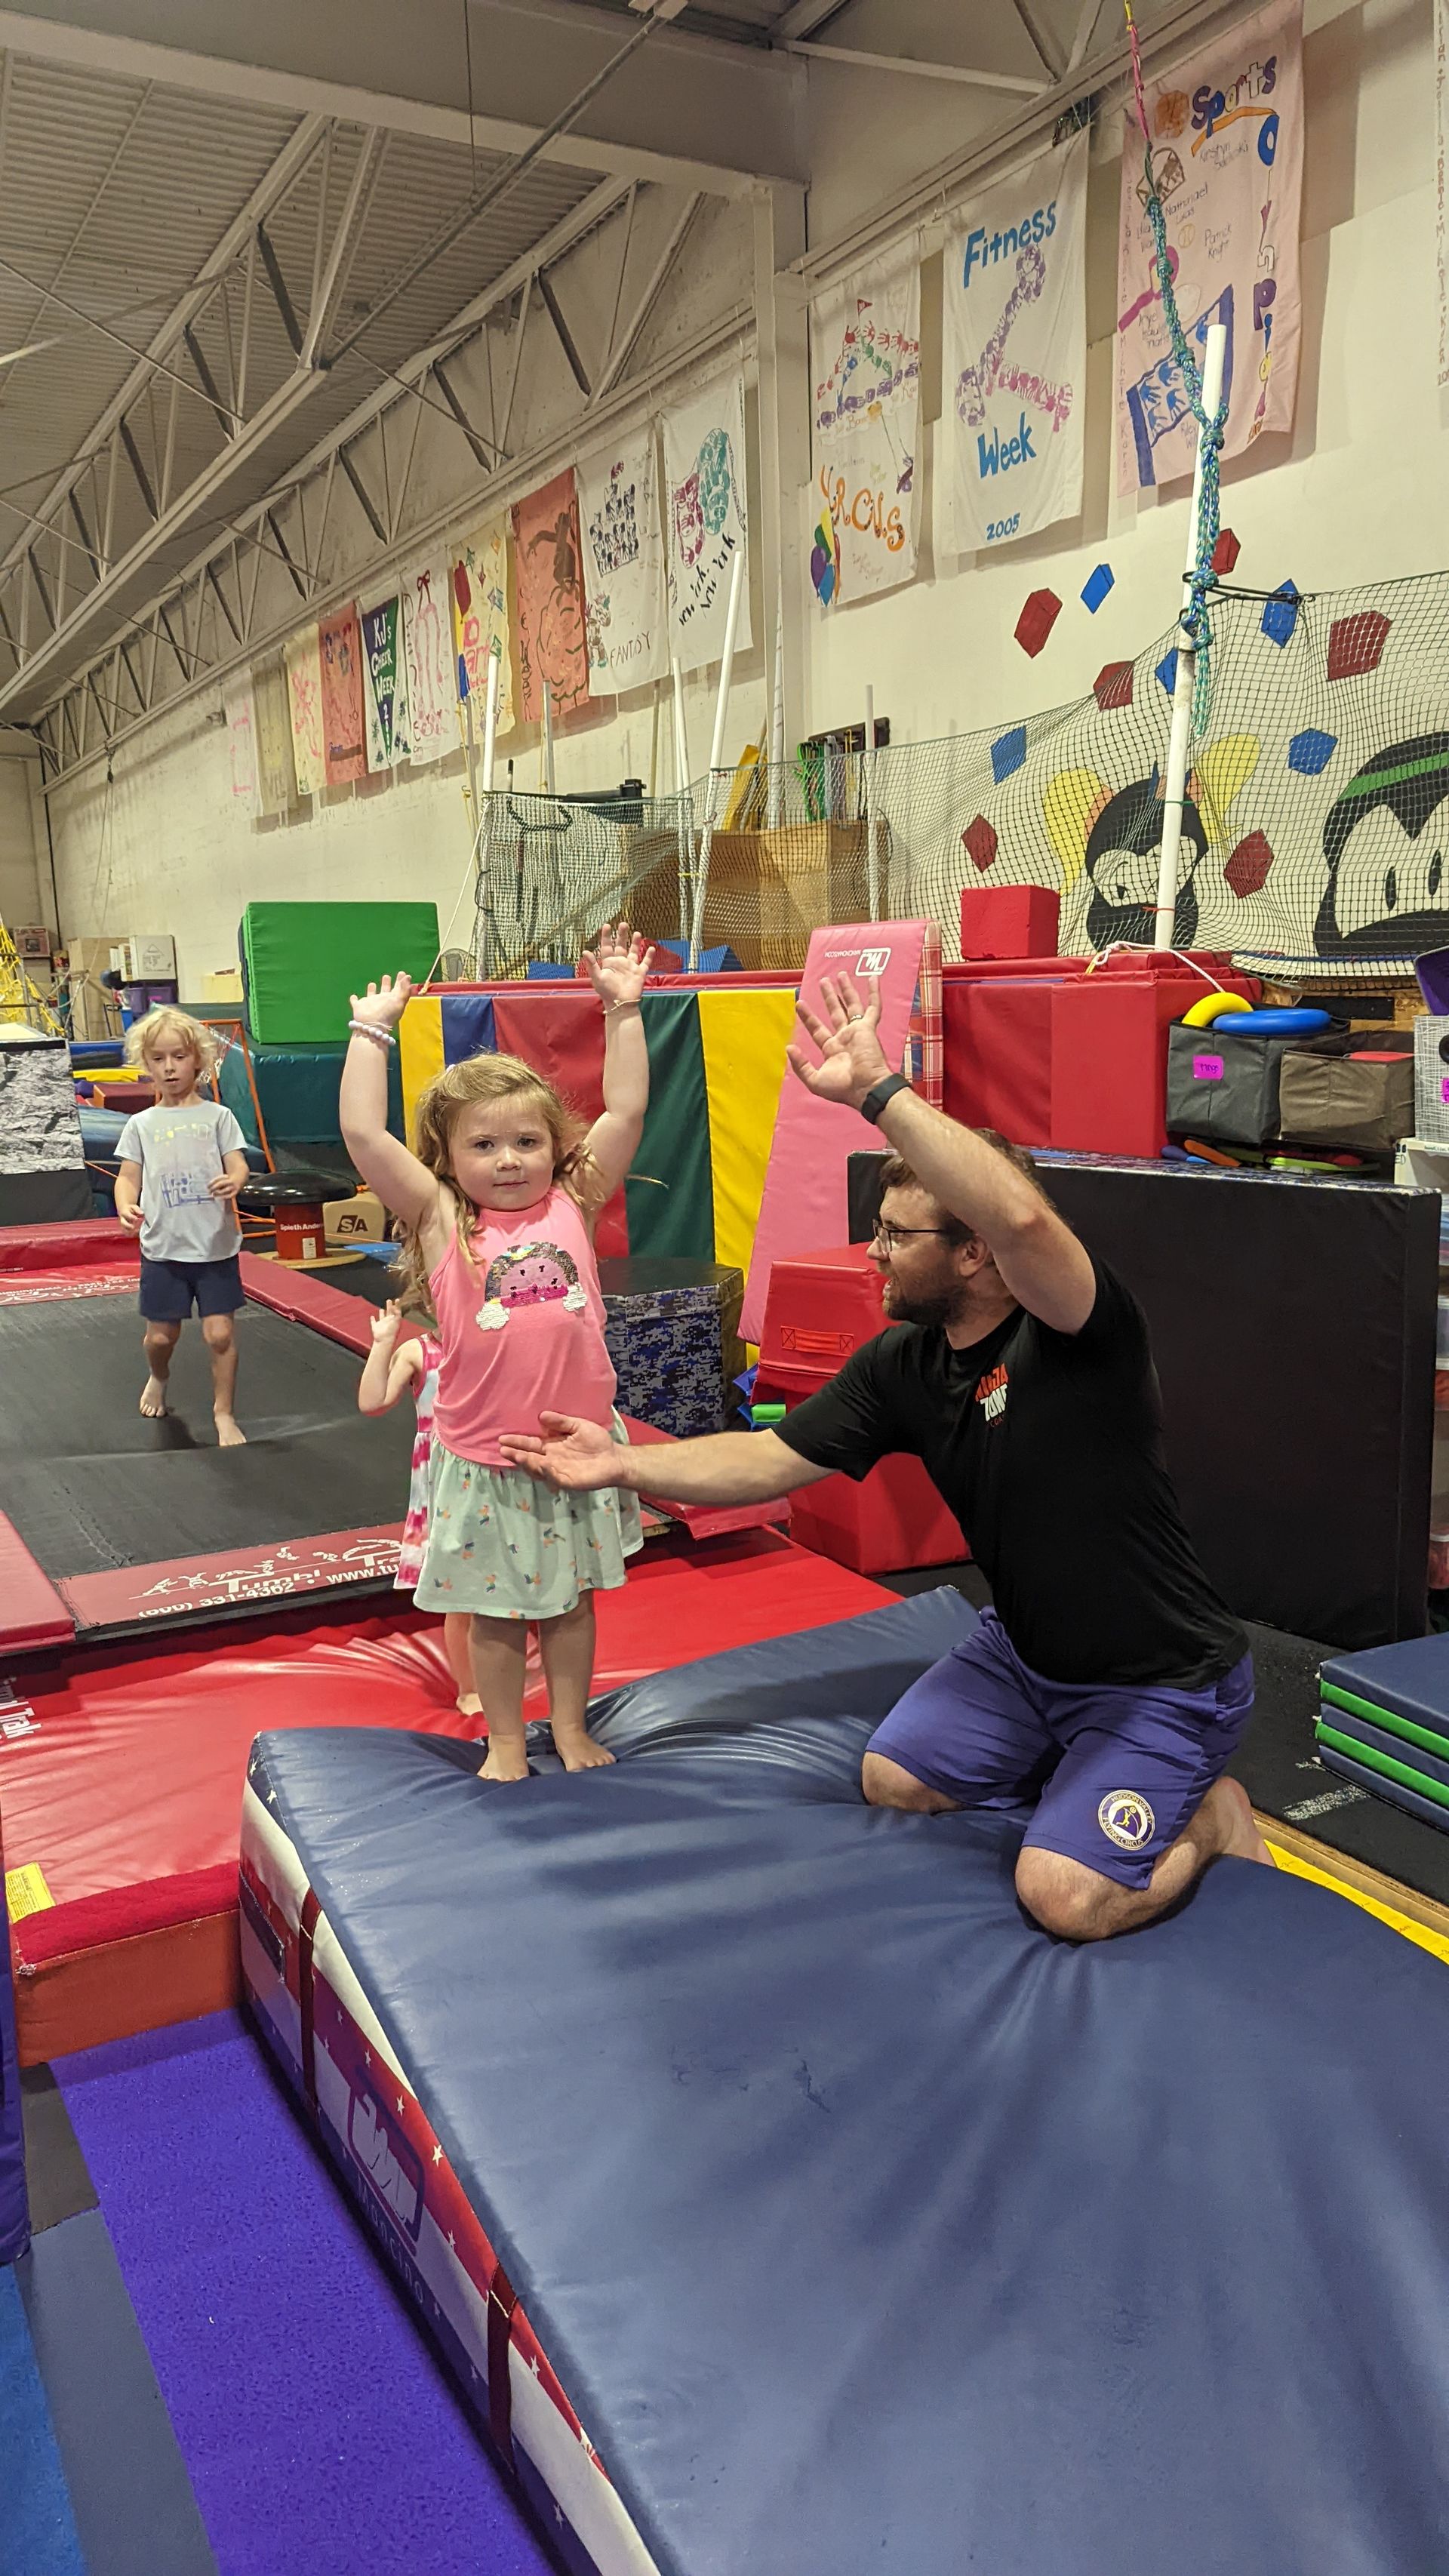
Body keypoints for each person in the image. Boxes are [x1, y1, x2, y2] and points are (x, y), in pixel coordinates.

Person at [501, 968, 1271, 1940]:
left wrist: (881, 1093)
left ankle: (1211, 1813)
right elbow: (770, 1459)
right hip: (1031, 1654)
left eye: (897, 1235)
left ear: (975, 1254)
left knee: (1067, 1899)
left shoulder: (1076, 1334)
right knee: (896, 1778)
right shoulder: (904, 1362)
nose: (872, 1252)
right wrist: (623, 1467)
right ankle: (1085, 1769)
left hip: (1160, 1676)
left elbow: (1028, 1217)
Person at [340, 924, 653, 1784]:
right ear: (446, 1157)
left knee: (573, 1604)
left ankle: (574, 1722)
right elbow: (365, 1136)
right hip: (484, 1458)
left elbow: (625, 1109)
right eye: (483, 1145)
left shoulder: (575, 1198)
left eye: (526, 1141)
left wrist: (623, 1010)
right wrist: (372, 1032)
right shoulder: (444, 1219)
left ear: (555, 1144)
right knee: (491, 1615)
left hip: (578, 1448)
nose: (509, 1160)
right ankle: (509, 1739)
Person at [112, 1005, 251, 1448]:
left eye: (178, 1056)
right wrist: (125, 1207)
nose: (169, 1067)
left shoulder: (217, 1118)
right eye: (158, 1058)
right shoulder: (141, 1124)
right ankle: (159, 1375)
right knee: (160, 1336)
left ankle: (223, 1413)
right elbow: (128, 1178)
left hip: (214, 1247)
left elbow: (238, 1164)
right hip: (163, 1250)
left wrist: (235, 1181)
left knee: (220, 1333)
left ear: (198, 1061)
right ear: (146, 1063)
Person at [358, 1297, 484, 1722]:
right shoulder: (419, 1351)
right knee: (460, 1588)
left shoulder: (491, 1339)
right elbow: (372, 1402)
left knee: (500, 1569)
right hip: (445, 1475)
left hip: (491, 1467)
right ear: (429, 1301)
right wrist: (383, 1343)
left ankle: (503, 1661)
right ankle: (470, 1687)